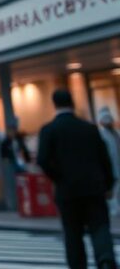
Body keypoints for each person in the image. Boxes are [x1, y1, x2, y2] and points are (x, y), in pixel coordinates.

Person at [38, 90, 117, 269]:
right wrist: (109, 183)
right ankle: (105, 258)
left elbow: (42, 160)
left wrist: (57, 177)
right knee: (100, 227)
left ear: (54, 104)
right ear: (72, 103)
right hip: (94, 187)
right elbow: (104, 158)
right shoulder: (89, 128)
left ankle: (78, 265)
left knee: (73, 233)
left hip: (67, 190)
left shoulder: (49, 130)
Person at [97, 107, 120, 216]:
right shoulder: (101, 135)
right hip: (110, 166)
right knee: (113, 189)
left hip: (117, 164)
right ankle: (113, 208)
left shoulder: (116, 134)